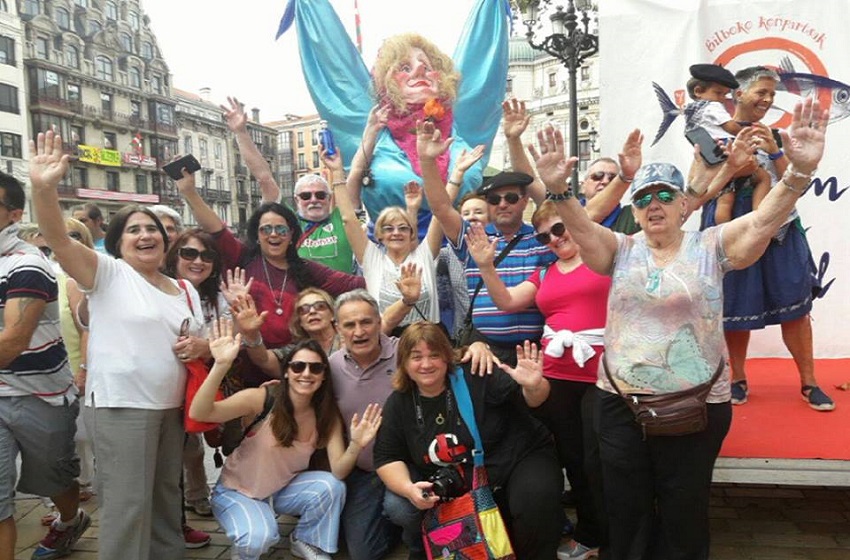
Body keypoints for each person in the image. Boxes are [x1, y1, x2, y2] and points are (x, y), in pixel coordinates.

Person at [528, 97, 828, 558]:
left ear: (685, 204)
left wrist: (798, 173)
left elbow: (765, 220)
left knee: (683, 508)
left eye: (665, 195)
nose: (654, 204)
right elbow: (584, 232)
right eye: (644, 198)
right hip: (620, 407)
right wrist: (559, 192)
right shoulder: (620, 248)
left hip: (697, 407)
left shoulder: (712, 245)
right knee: (625, 508)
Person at [30, 130, 206, 560]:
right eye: (134, 230)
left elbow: (198, 340)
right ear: (118, 241)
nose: (146, 235)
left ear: (167, 241)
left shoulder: (185, 288)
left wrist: (199, 348)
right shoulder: (106, 274)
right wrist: (44, 188)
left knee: (166, 502)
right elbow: (57, 237)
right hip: (122, 407)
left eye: (154, 230)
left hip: (171, 408)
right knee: (128, 509)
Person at [280, 0, 509, 235]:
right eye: (405, 68)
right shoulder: (375, 130)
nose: (419, 71)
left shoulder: (460, 130)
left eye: (427, 66)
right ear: (386, 83)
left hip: (466, 259)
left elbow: (483, 59)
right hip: (395, 259)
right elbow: (348, 207)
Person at [466, 200, 611, 559]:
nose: (554, 239)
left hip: (602, 375)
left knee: (600, 459)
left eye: (559, 229)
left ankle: (617, 532)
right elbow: (506, 301)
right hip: (555, 376)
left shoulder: (606, 258)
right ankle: (589, 534)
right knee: (573, 458)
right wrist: (485, 265)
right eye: (545, 235)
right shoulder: (545, 273)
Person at [700, 66, 833, 410]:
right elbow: (703, 181)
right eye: (761, 91)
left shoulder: (774, 133)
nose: (767, 99)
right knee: (734, 305)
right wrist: (735, 162)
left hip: (779, 226)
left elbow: (794, 182)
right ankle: (738, 379)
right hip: (729, 224)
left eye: (772, 94)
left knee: (795, 304)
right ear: (738, 94)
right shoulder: (709, 131)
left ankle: (809, 382)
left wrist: (774, 151)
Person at [190, 321, 381, 560]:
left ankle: (305, 540)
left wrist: (355, 445)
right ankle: (246, 549)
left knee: (331, 486)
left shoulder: (325, 415)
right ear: (287, 371)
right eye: (298, 366)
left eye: (316, 368)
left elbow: (339, 471)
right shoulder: (261, 398)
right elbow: (199, 413)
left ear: (324, 376)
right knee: (260, 538)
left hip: (279, 490)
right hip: (237, 492)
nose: (306, 374)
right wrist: (220, 365)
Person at [373, 322, 563, 560]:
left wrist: (535, 386)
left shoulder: (476, 372)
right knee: (402, 506)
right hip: (462, 484)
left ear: (447, 357)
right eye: (416, 357)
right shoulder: (399, 403)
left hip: (518, 458)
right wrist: (408, 489)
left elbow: (532, 402)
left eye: (434, 355)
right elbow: (387, 456)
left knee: (534, 503)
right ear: (403, 363)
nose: (426, 364)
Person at [328, 289, 493, 560]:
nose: (359, 331)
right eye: (349, 324)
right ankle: (402, 528)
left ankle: (418, 543)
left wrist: (478, 346)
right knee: (363, 554)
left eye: (366, 322)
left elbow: (443, 355)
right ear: (338, 329)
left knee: (401, 508)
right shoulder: (331, 367)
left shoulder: (404, 351)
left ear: (379, 321)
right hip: (369, 469)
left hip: (414, 462)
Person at [176, 169, 365, 388]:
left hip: (295, 369)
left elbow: (357, 284)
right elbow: (216, 229)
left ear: (292, 234)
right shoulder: (243, 257)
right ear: (256, 235)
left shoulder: (307, 269)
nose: (273, 234)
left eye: (281, 229)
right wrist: (190, 192)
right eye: (266, 229)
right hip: (244, 370)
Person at [0, 172, 91, 560]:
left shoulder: (27, 263)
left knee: (53, 479)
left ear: (13, 214)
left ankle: (70, 519)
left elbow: (12, 345)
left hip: (42, 396)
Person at [418, 120, 555, 364]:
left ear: (525, 201)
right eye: (494, 199)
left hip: (536, 350)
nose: (502, 204)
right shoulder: (473, 236)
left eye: (511, 197)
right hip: (484, 351)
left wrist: (514, 140)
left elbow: (555, 204)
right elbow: (440, 207)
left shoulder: (544, 238)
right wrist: (427, 162)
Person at [163, 229, 233, 546]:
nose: (198, 261)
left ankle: (179, 521)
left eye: (206, 255)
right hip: (160, 387)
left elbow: (231, 339)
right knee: (168, 460)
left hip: (200, 387)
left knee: (188, 450)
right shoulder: (159, 289)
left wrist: (206, 347)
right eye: (189, 253)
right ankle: (170, 526)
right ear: (174, 255)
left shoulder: (219, 297)